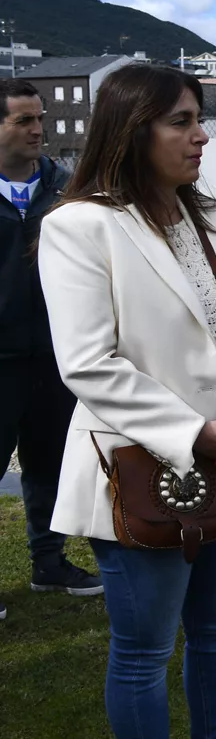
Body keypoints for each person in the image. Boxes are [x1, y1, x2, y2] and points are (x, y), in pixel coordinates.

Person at [38, 64, 216, 739]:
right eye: (180, 121)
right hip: (137, 471)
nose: (201, 135)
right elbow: (88, 363)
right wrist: (194, 433)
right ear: (130, 129)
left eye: (199, 118)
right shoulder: (80, 226)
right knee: (144, 651)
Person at [0, 77, 101, 621]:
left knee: (51, 465)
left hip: (53, 357)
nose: (39, 129)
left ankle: (49, 562)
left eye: (40, 118)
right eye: (24, 120)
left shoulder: (65, 189)